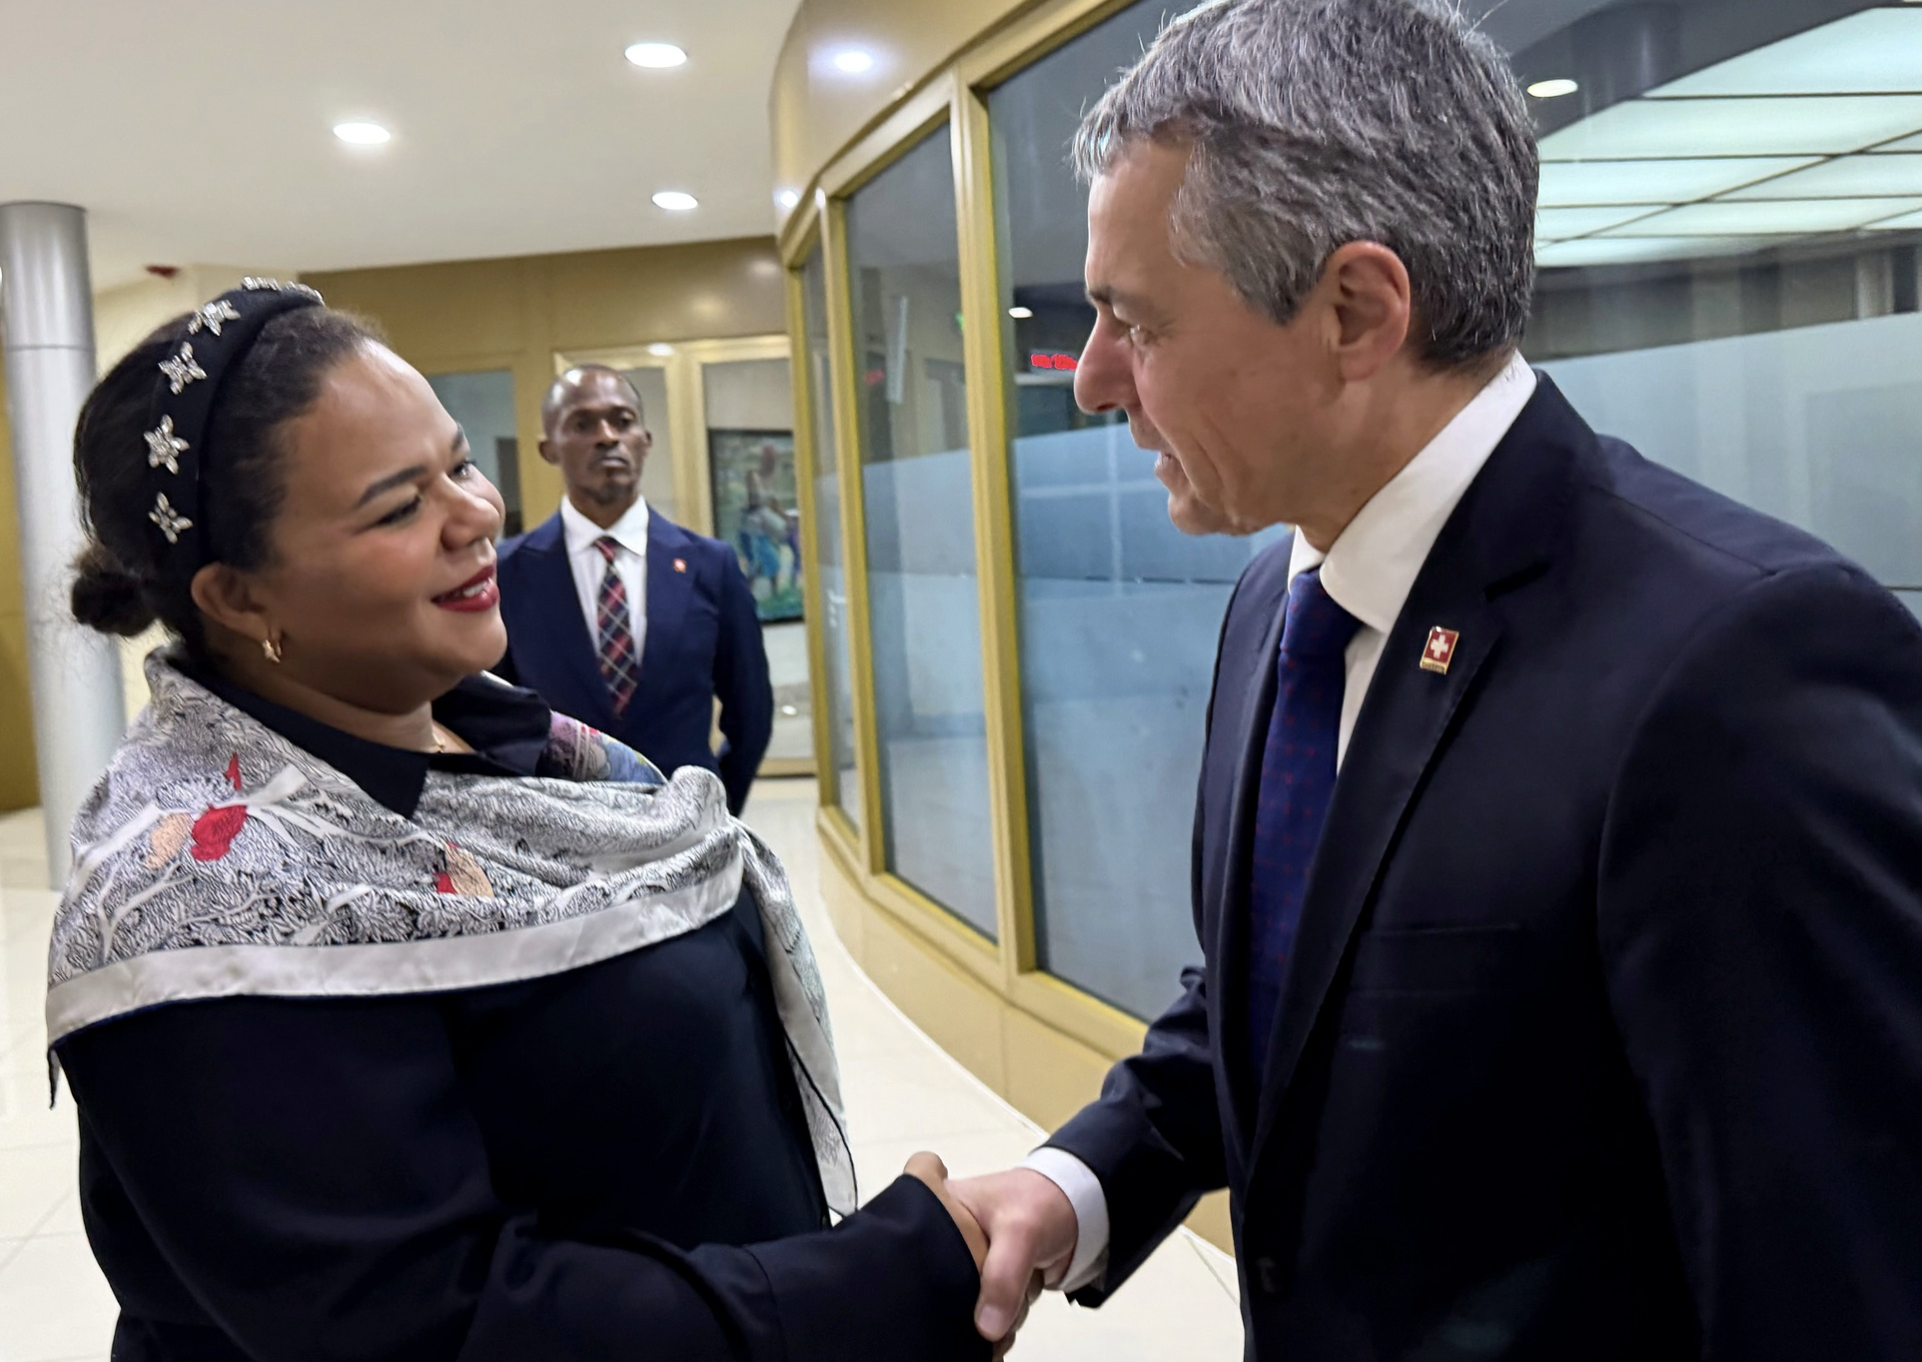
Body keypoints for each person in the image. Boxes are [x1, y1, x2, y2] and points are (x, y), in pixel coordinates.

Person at [951, 2, 1922, 1359]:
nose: (1094, 381)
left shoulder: (1734, 671)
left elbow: (1837, 1282)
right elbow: (1293, 1013)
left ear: (1354, 309)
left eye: (1135, 320)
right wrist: (1072, 1186)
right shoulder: (1272, 604)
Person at [49, 284, 991, 1361]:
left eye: (458, 463)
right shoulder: (197, 914)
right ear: (240, 597)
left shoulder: (522, 744)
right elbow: (442, 1326)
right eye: (398, 507)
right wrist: (871, 1284)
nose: (477, 514)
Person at [495, 366, 771, 815]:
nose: (607, 437)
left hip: (690, 838)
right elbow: (496, 720)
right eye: (582, 424)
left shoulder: (711, 565)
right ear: (549, 449)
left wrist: (718, 810)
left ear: (644, 439)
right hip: (565, 840)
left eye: (622, 421)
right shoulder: (507, 573)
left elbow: (751, 713)